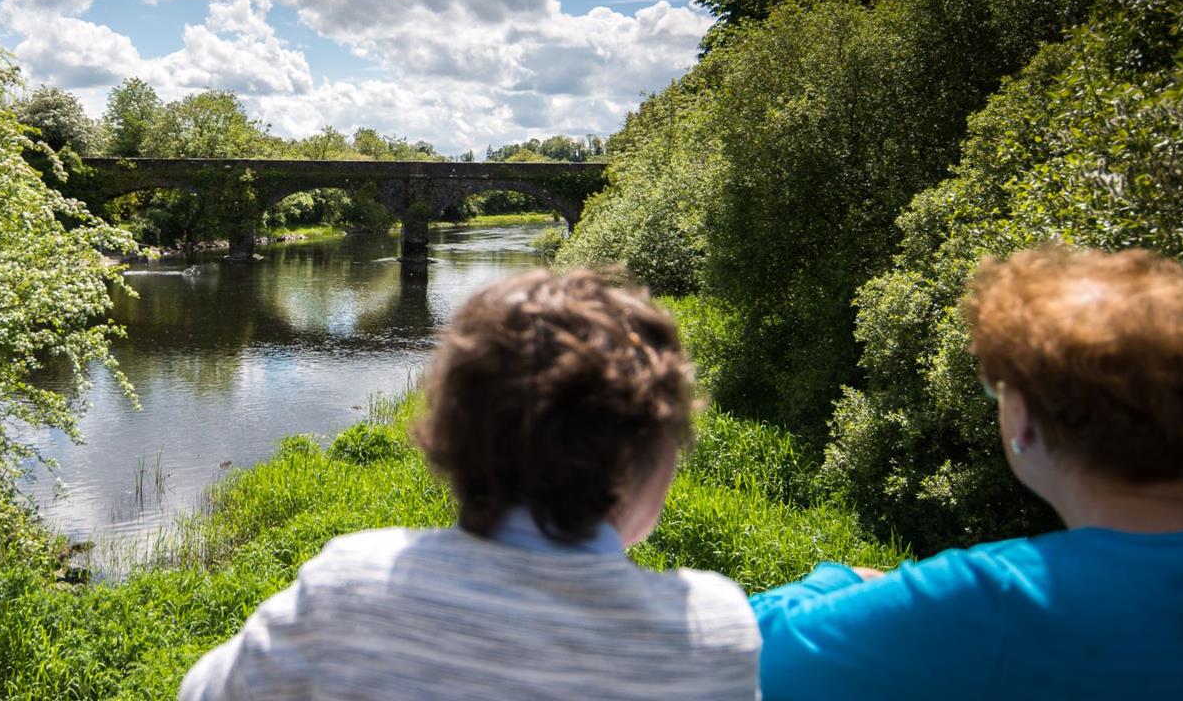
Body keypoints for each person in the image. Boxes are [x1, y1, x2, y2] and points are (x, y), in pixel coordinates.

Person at [179, 269, 759, 701]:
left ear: (447, 438)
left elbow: (200, 693)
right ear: (647, 457)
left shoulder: (350, 585)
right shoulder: (712, 628)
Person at [754, 246, 1183, 700]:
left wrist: (843, 579)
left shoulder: (992, 598)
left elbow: (740, 651)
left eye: (1000, 390)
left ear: (1027, 420)